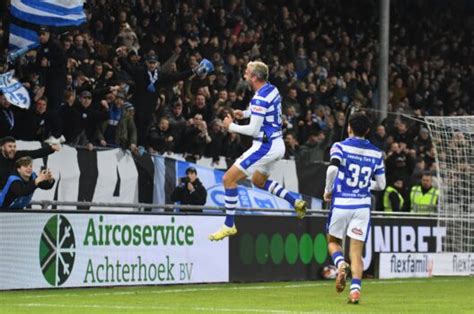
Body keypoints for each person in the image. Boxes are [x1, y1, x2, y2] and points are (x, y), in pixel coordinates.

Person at [209, 61, 307, 241]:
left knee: (228, 179)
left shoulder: (259, 98)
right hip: (278, 144)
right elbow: (265, 112)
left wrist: (231, 126)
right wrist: (245, 114)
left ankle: (229, 225)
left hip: (265, 146)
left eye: (247, 72)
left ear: (254, 77)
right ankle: (296, 202)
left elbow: (253, 130)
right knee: (258, 181)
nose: (244, 74)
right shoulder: (272, 89)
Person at [323, 112, 386, 304]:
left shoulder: (340, 146)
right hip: (362, 206)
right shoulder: (376, 152)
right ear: (367, 130)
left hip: (341, 202)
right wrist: (365, 186)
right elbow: (381, 185)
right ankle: (355, 291)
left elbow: (332, 169)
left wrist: (328, 190)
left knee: (333, 242)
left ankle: (340, 264)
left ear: (349, 127)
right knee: (356, 251)